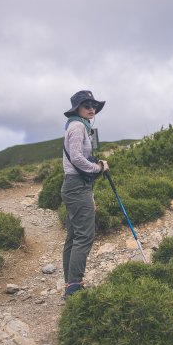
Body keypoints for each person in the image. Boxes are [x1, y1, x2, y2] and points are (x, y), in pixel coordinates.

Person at [61, 90, 109, 297]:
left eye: (93, 105)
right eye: (86, 105)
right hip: (77, 185)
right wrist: (97, 168)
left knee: (74, 237)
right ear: (77, 109)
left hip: (74, 185)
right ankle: (74, 288)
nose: (92, 109)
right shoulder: (78, 126)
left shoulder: (79, 126)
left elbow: (81, 156)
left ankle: (70, 285)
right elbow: (77, 158)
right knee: (84, 237)